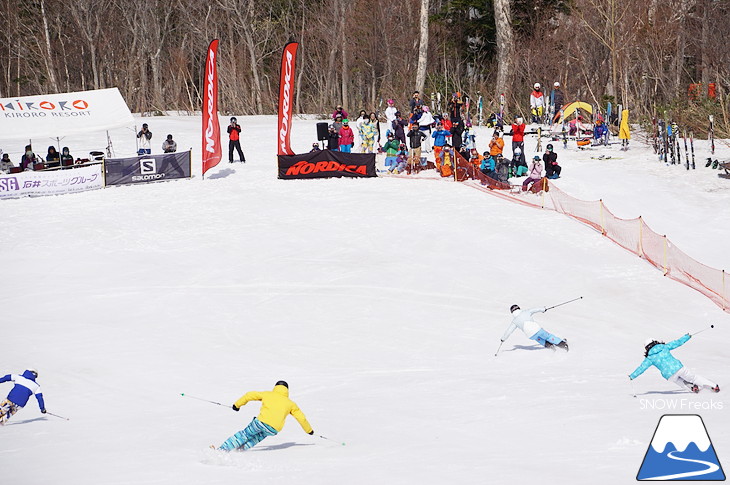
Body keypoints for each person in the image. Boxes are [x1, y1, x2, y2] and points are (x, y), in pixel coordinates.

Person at [217, 380, 313, 451]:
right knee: (255, 439)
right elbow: (301, 418)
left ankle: (222, 450)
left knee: (245, 434)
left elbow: (249, 395)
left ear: (275, 387)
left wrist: (237, 405)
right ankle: (239, 450)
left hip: (260, 423)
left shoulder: (268, 394)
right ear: (287, 390)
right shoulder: (290, 403)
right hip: (272, 430)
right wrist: (309, 431)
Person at [629, 335, 719, 393]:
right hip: (678, 368)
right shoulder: (664, 347)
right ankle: (713, 386)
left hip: (669, 376)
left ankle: (692, 388)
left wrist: (632, 376)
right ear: (655, 341)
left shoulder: (650, 358)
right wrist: (687, 336)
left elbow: (641, 368)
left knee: (680, 382)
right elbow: (677, 343)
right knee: (694, 378)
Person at [501, 305, 568, 351]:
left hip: (531, 335)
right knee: (548, 337)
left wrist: (503, 339)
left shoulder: (514, 321)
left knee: (538, 338)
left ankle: (550, 346)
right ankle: (562, 344)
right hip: (537, 330)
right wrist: (543, 309)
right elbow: (535, 309)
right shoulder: (526, 312)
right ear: (519, 308)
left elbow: (509, 331)